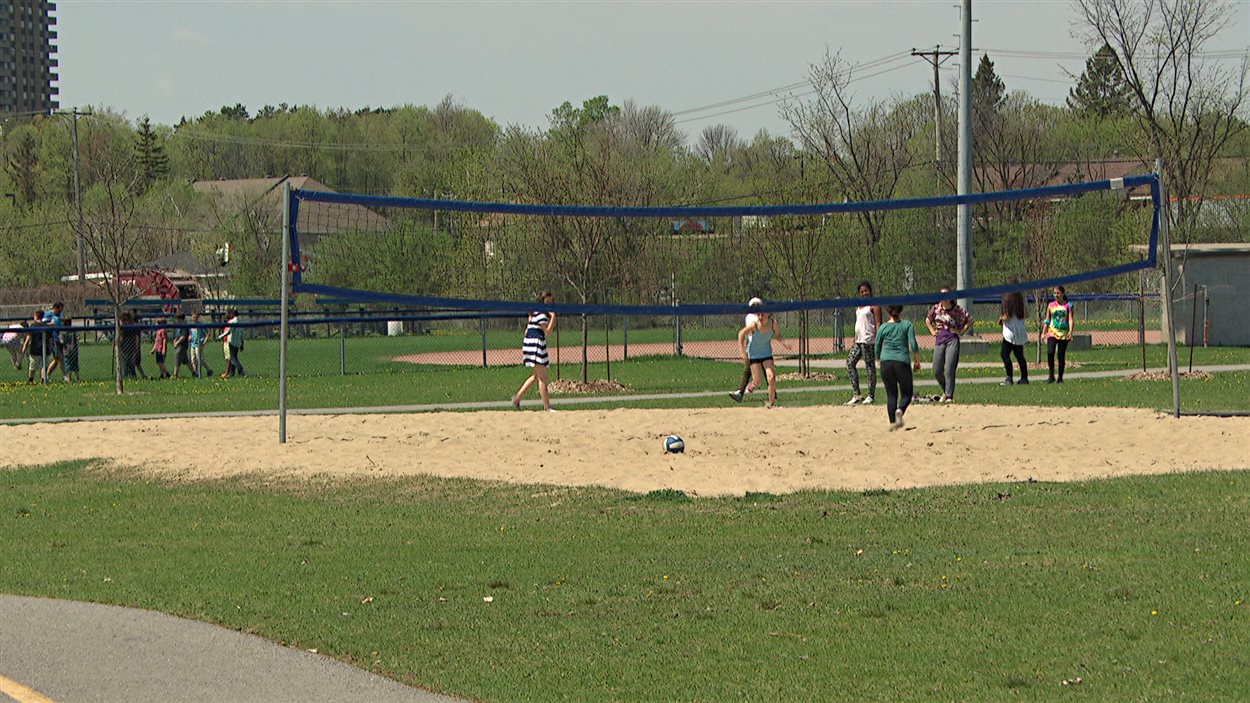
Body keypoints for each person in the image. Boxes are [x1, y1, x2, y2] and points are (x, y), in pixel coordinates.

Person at [875, 304, 922, 430]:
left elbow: (877, 346)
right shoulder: (907, 325)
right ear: (901, 310)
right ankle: (900, 410)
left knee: (891, 394)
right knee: (907, 393)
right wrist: (917, 361)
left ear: (887, 310)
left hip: (886, 362)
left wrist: (878, 360)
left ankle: (892, 423)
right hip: (902, 362)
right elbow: (913, 344)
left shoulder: (883, 327)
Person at [924, 288, 972, 403]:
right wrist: (932, 330)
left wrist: (960, 331)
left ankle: (949, 396)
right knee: (937, 369)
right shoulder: (936, 308)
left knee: (949, 368)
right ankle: (946, 391)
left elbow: (970, 320)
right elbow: (927, 320)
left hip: (952, 339)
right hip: (940, 339)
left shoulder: (957, 310)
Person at [512, 291, 557, 412]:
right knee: (542, 377)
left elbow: (526, 331)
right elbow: (548, 332)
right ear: (542, 301)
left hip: (530, 344)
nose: (549, 305)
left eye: (551, 302)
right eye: (547, 302)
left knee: (535, 376)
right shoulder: (541, 315)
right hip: (535, 345)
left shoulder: (533, 313)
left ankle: (517, 398)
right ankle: (547, 407)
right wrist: (553, 316)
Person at [737, 305, 788, 409]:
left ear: (768, 314)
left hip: (766, 354)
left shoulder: (773, 324)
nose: (760, 316)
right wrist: (742, 352)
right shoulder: (755, 325)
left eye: (762, 314)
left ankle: (771, 404)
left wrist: (784, 343)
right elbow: (741, 334)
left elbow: (778, 335)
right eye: (758, 314)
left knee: (771, 377)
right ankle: (751, 385)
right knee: (758, 381)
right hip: (754, 354)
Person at [844, 280, 883, 405]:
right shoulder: (859, 306)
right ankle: (857, 394)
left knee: (869, 367)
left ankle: (870, 395)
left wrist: (878, 340)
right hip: (859, 341)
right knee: (850, 363)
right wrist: (854, 338)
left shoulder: (874, 305)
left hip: (869, 341)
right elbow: (858, 323)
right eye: (861, 292)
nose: (864, 293)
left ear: (870, 291)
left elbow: (878, 324)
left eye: (866, 291)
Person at [729, 297, 764, 402]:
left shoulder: (762, 316)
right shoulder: (751, 317)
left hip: (761, 346)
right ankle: (741, 391)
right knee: (750, 369)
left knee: (765, 371)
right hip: (753, 346)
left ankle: (742, 391)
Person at [1042, 285, 1074, 383]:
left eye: (1058, 293)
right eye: (1054, 293)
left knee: (1061, 356)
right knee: (1050, 353)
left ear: (1063, 294)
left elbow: (1071, 320)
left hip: (1063, 334)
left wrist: (1070, 332)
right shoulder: (1051, 305)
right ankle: (1051, 376)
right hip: (1052, 333)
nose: (1056, 295)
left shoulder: (1069, 305)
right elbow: (1047, 320)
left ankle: (1060, 377)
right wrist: (1044, 332)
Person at [999, 287, 1029, 386]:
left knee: (1004, 354)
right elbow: (1026, 314)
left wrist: (1001, 319)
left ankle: (1009, 377)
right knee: (1019, 355)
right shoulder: (1022, 299)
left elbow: (1007, 315)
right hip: (1020, 330)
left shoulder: (1008, 298)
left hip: (1010, 331)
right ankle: (1024, 378)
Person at [217, 310, 245, 378]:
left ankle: (240, 369)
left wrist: (220, 336)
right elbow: (242, 334)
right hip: (238, 342)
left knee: (232, 358)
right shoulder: (239, 322)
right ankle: (232, 373)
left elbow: (229, 331)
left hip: (232, 342)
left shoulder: (233, 322)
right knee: (234, 357)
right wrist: (242, 343)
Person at [21, 310, 48, 383]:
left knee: (32, 365)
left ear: (36, 316)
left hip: (34, 349)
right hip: (44, 348)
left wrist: (24, 347)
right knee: (43, 365)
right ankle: (43, 379)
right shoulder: (46, 325)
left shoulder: (33, 325)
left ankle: (31, 379)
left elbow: (28, 338)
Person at [188, 312, 212, 379]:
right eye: (193, 317)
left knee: (199, 358)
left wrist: (205, 341)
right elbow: (190, 334)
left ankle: (208, 369)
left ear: (198, 317)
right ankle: (195, 372)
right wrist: (190, 337)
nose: (194, 319)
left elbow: (207, 334)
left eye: (195, 317)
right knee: (193, 359)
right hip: (193, 343)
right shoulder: (191, 326)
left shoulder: (201, 325)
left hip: (199, 343)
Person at [60, 316, 80, 382]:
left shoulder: (63, 331)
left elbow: (61, 341)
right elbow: (78, 337)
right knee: (73, 365)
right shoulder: (65, 331)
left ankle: (71, 379)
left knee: (69, 365)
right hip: (72, 350)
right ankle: (75, 379)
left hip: (69, 351)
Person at [172, 314, 192, 378]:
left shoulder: (184, 326)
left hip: (183, 345)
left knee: (177, 357)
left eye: (177, 319)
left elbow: (183, 337)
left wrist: (177, 343)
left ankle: (175, 374)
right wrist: (175, 340)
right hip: (179, 344)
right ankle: (194, 372)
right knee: (186, 360)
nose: (176, 320)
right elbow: (177, 335)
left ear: (180, 319)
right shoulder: (179, 326)